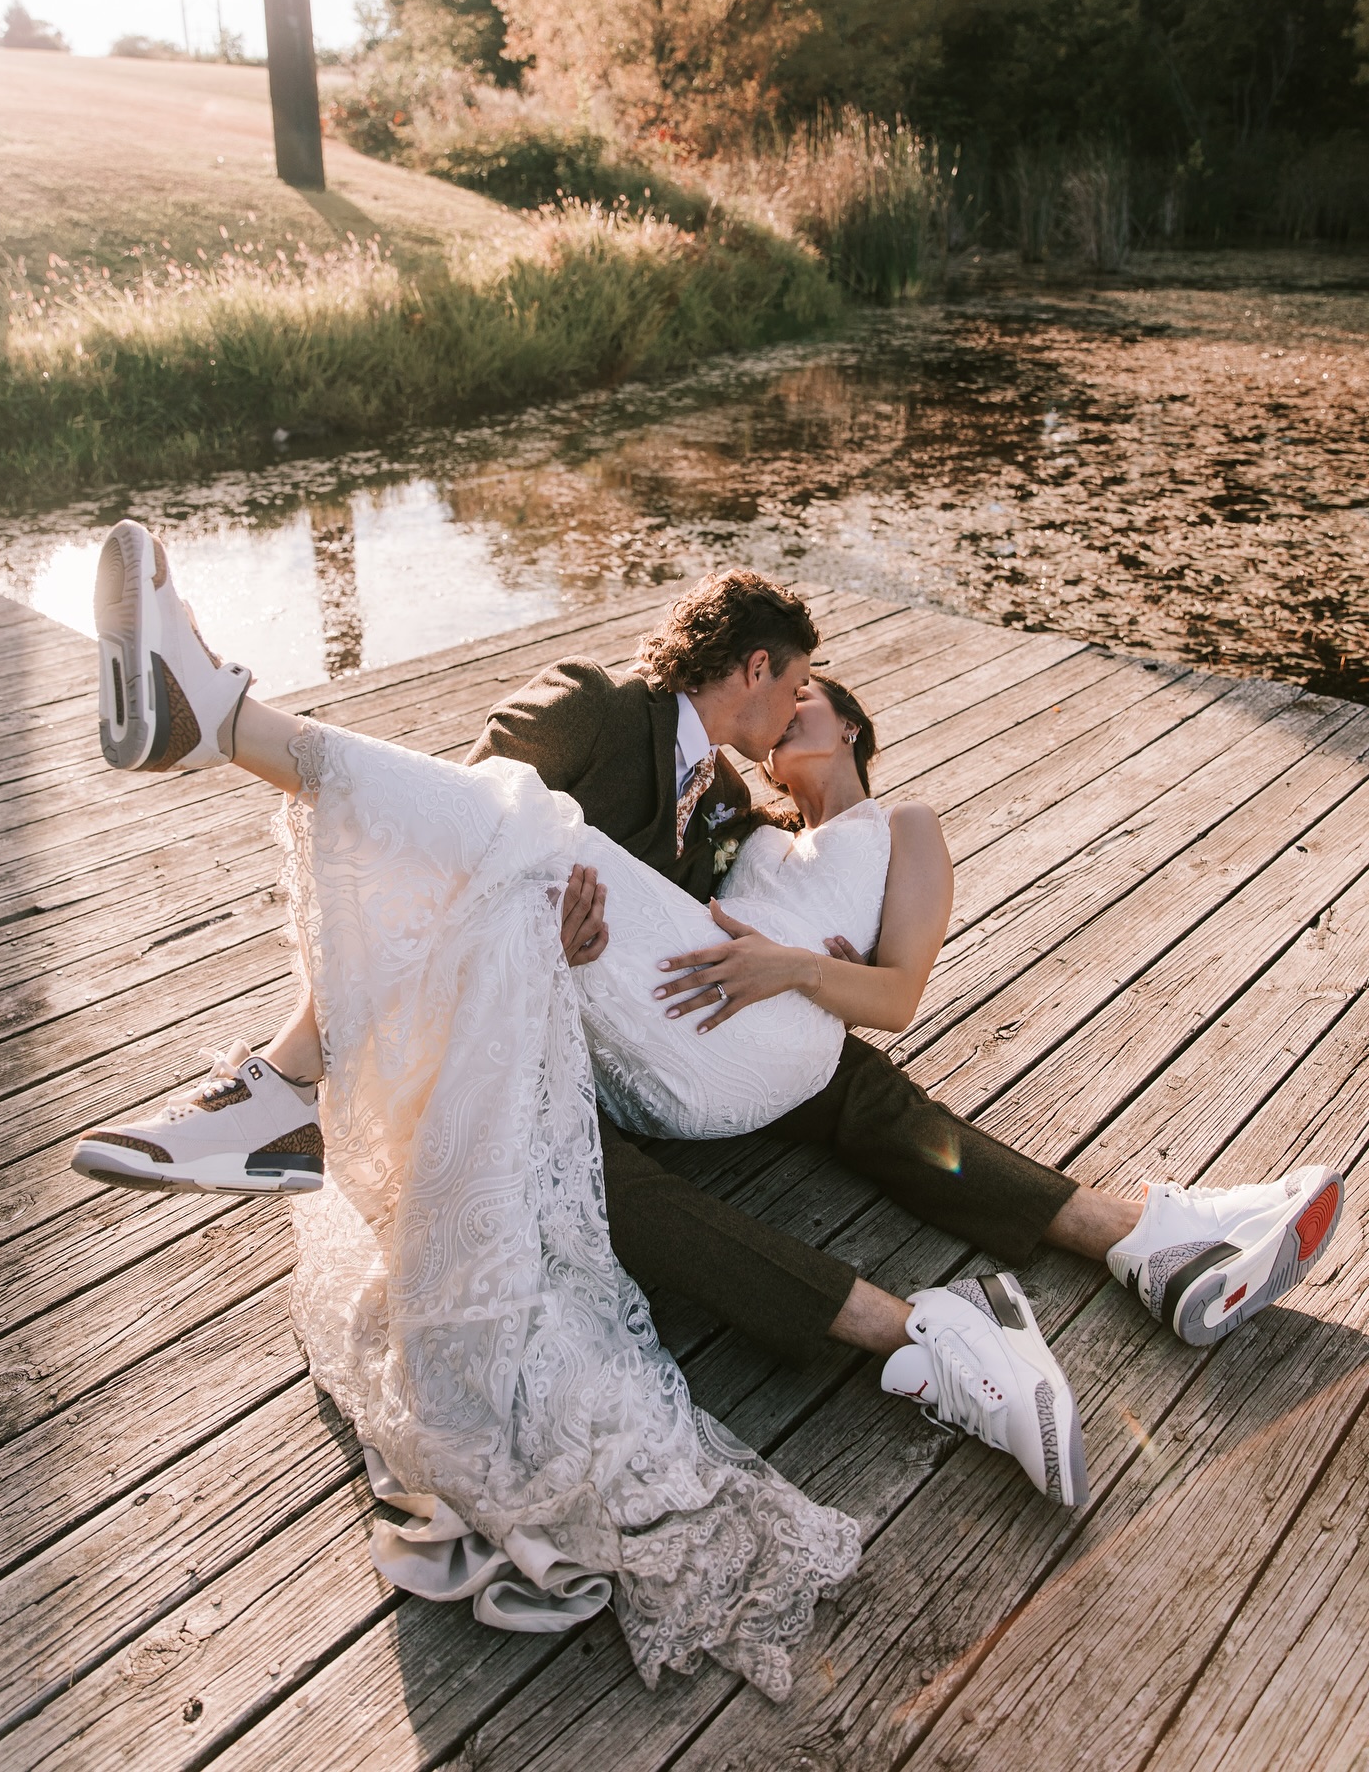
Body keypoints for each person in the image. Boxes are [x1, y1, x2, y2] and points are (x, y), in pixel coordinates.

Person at [72, 526, 1342, 1678]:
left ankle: (1126, 1237)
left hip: (695, 1039)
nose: (801, 708)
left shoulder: (741, 811)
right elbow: (446, 825)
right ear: (748, 667)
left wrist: (758, 958)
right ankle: (922, 1330)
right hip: (560, 1030)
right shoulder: (600, 705)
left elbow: (865, 978)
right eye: (795, 684)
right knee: (529, 868)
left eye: (816, 708)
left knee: (861, 1091)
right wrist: (544, 913)